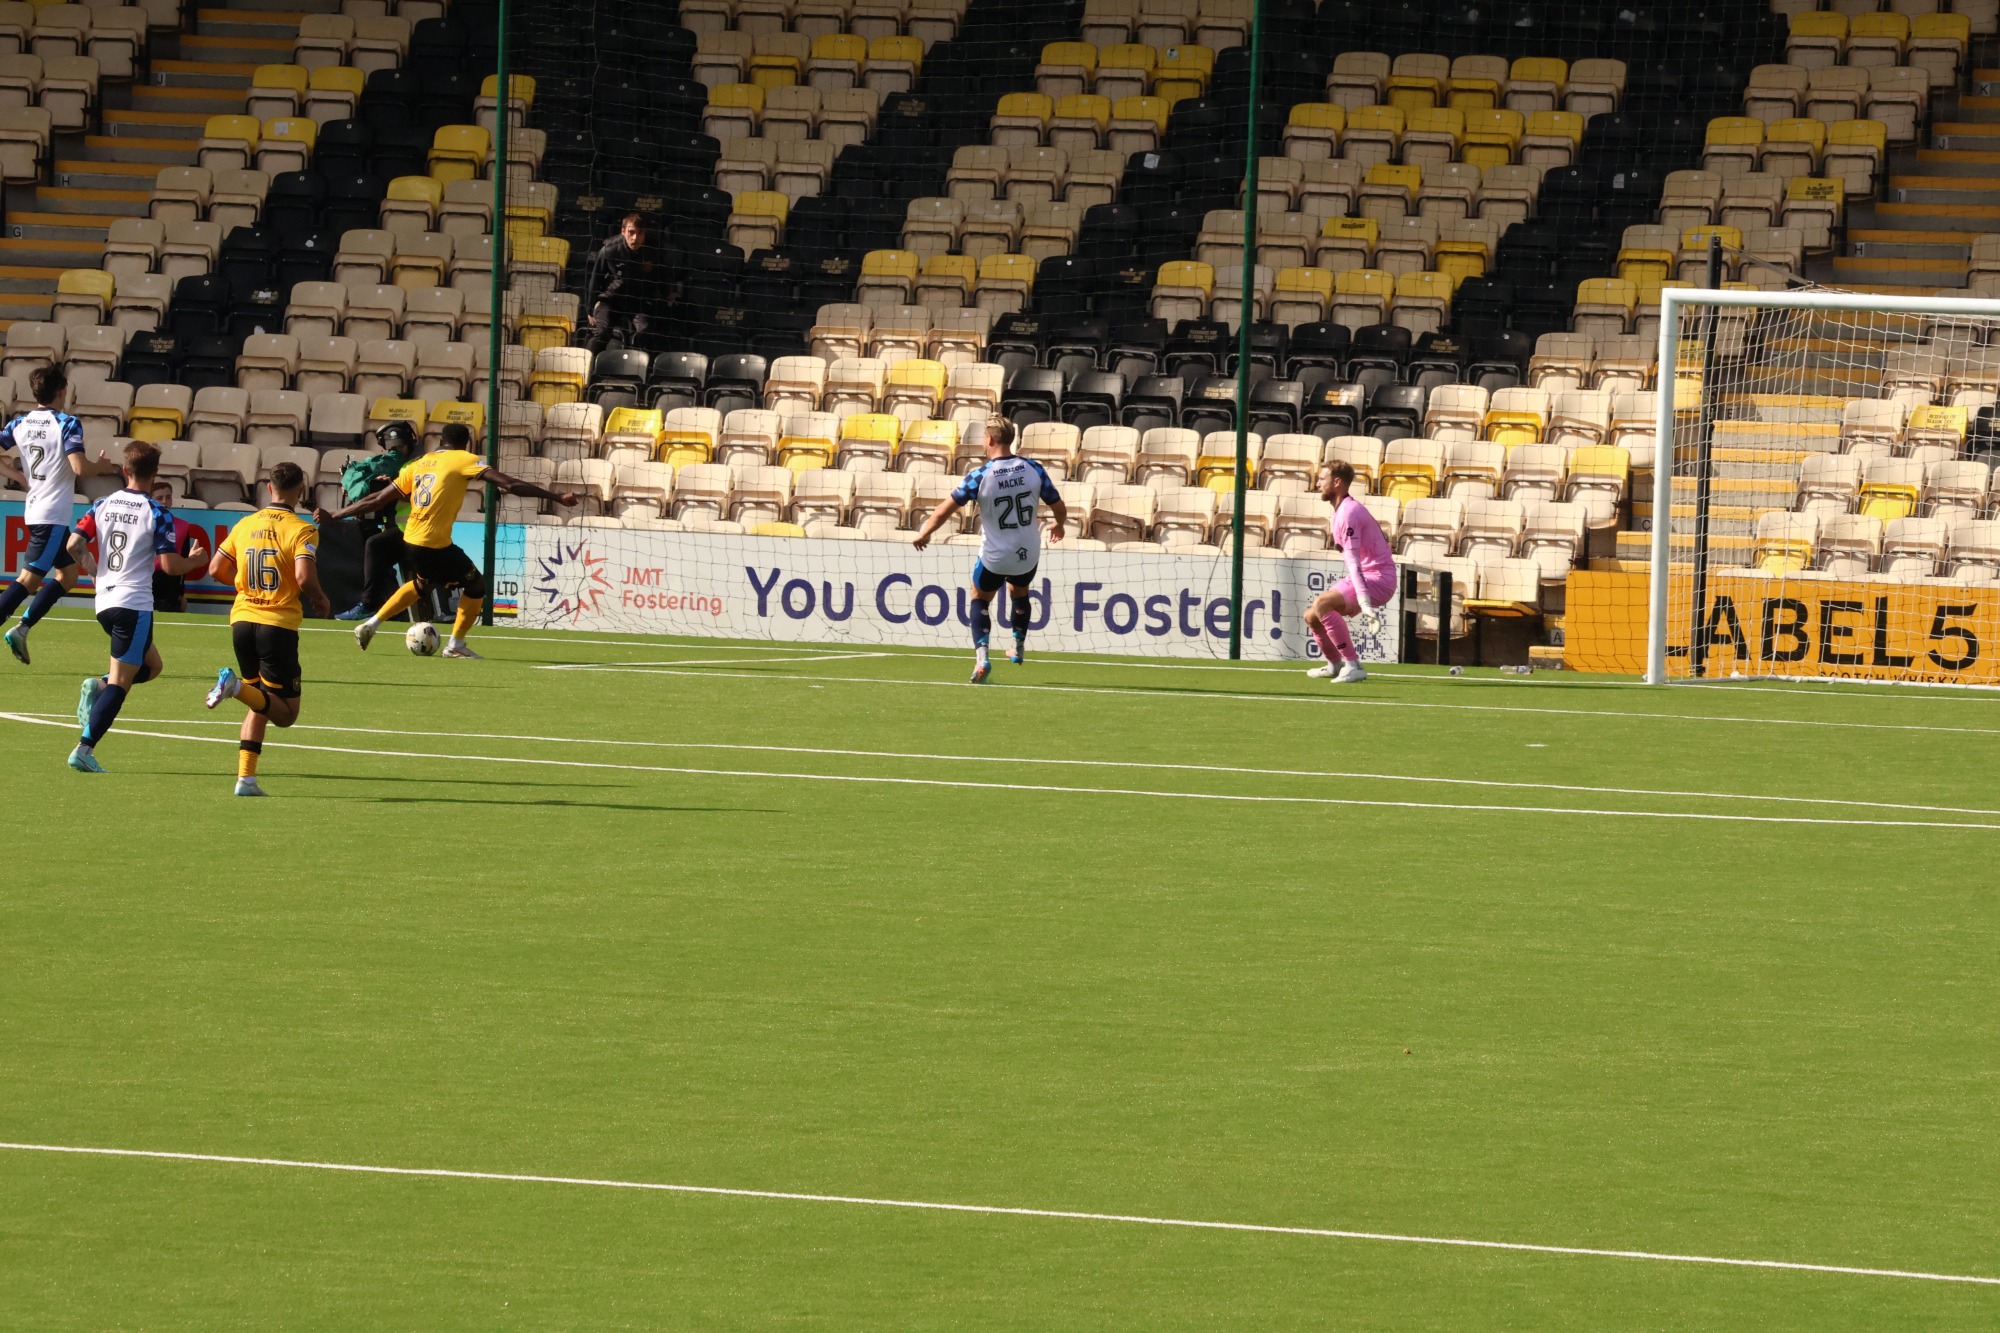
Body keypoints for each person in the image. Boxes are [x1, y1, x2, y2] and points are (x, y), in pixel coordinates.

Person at [315, 421, 578, 659]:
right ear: (467, 443)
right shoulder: (464, 459)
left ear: (441, 441)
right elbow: (510, 485)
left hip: (411, 538)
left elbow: (378, 499)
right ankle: (456, 645)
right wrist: (556, 497)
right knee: (476, 586)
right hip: (433, 542)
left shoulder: (420, 462)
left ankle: (370, 624)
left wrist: (336, 514)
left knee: (423, 583)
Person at [65, 442, 209, 773]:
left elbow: (74, 544)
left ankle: (98, 686)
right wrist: (196, 560)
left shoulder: (102, 504)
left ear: (125, 470)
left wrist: (94, 571)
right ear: (154, 473)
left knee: (153, 666)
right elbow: (170, 566)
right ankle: (85, 748)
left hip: (105, 602)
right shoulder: (157, 512)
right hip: (133, 604)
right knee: (122, 682)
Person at [204, 461, 329, 797]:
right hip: (276, 627)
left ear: (269, 488)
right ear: (301, 490)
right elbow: (303, 576)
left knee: (260, 701)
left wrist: (246, 589)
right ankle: (232, 686)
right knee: (286, 714)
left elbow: (216, 569)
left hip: (242, 622)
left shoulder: (245, 523)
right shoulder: (302, 529)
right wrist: (320, 598)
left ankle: (246, 779)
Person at [911, 417, 1066, 684]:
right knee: (1019, 591)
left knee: (979, 598)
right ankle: (1018, 646)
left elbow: (944, 509)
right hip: (1027, 553)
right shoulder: (1034, 469)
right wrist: (1059, 525)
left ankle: (982, 658)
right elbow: (1058, 505)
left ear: (990, 439)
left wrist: (925, 532)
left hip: (996, 555)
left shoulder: (980, 475)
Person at [0, 366, 123, 664]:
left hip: (36, 509)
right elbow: (79, 467)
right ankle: (20, 628)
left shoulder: (20, 422)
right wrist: (101, 467)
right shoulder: (67, 423)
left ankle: (22, 629)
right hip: (52, 514)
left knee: (68, 575)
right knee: (28, 580)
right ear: (61, 392)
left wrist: (18, 477)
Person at [1303, 460, 1396, 686]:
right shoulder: (1342, 510)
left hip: (1379, 578)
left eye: (1322, 479)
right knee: (1311, 616)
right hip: (1367, 574)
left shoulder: (1349, 513)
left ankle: (1353, 665)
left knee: (1322, 603)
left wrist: (1364, 602)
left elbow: (1353, 562)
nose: (1317, 484)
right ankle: (1334, 665)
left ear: (1337, 482)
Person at [332, 420, 423, 620]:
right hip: (400, 527)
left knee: (375, 545)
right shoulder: (397, 466)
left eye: (400, 447)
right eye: (393, 449)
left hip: (417, 529)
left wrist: (392, 488)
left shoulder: (418, 465)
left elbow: (420, 495)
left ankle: (368, 604)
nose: (396, 452)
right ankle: (391, 611)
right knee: (379, 557)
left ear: (410, 443)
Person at [583, 212, 658, 354]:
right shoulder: (609, 249)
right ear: (623, 231)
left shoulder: (653, 249)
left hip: (638, 301)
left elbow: (661, 274)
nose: (635, 238)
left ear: (645, 234)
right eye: (631, 232)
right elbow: (595, 278)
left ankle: (638, 365)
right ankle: (589, 364)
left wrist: (669, 293)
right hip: (610, 300)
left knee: (645, 332)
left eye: (640, 233)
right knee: (600, 332)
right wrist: (589, 308)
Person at [149, 481, 205, 614]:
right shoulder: (142, 524)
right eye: (159, 498)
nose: (165, 501)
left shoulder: (183, 526)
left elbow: (183, 562)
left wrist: (180, 594)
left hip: (170, 586)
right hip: (146, 581)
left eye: (168, 497)